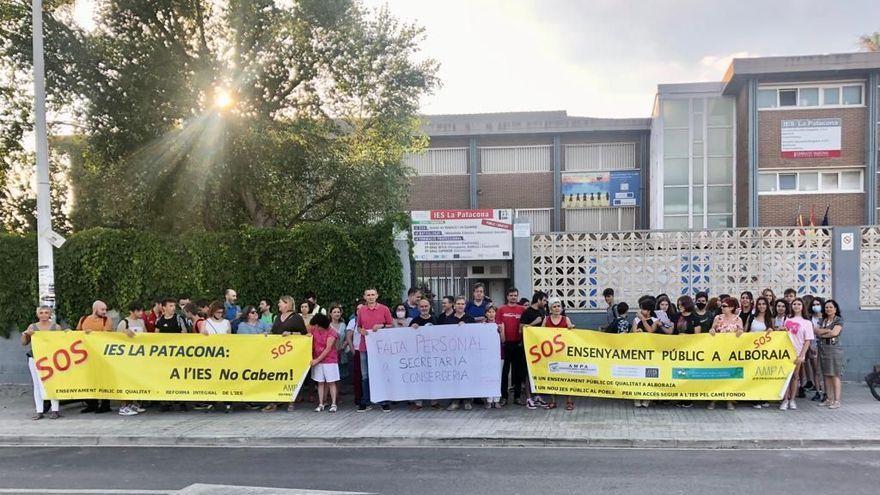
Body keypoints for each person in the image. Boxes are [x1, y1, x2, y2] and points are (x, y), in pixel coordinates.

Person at [264, 295, 307, 413]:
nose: (278, 305)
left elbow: (304, 335)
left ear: (287, 303)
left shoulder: (296, 317)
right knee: (275, 377)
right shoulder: (278, 317)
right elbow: (274, 332)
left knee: (289, 377)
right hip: (277, 353)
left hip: (291, 353)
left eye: (280, 303)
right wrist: (268, 334)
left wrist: (291, 333)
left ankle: (291, 401)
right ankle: (274, 401)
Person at [356, 288, 393, 412]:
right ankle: (366, 401)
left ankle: (384, 401)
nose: (371, 297)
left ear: (377, 296)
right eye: (368, 295)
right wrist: (361, 330)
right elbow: (358, 327)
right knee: (365, 376)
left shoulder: (384, 309)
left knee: (381, 373)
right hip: (365, 347)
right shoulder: (361, 310)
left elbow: (391, 325)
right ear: (365, 297)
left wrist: (381, 326)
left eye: (373, 294)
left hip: (380, 348)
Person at [21, 306, 63, 420]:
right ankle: (39, 410)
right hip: (35, 358)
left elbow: (63, 342)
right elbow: (24, 343)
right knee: (37, 385)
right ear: (37, 314)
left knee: (52, 382)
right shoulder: (33, 327)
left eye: (46, 312)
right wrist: (25, 334)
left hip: (51, 358)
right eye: (41, 313)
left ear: (50, 314)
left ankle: (55, 409)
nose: (44, 315)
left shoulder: (56, 327)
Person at [75, 300, 114, 414]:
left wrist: (91, 333)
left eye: (105, 309)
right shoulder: (83, 319)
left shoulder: (107, 320)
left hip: (102, 355)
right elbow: (77, 333)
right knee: (88, 379)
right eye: (102, 309)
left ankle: (105, 404)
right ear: (95, 309)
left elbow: (105, 336)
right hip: (86, 355)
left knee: (103, 379)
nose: (105, 312)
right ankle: (91, 404)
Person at [707, 297, 744, 411]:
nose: (722, 308)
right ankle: (714, 399)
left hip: (732, 352)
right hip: (718, 352)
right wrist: (712, 330)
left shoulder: (738, 319)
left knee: (730, 376)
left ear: (732, 307)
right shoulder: (718, 318)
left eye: (724, 306)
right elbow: (712, 329)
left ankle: (729, 400)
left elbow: (742, 332)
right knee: (717, 375)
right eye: (722, 306)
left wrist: (740, 332)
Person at [779, 298, 814, 411]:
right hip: (786, 352)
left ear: (802, 306)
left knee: (795, 376)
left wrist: (802, 355)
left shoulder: (807, 322)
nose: (796, 306)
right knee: (785, 377)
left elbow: (808, 340)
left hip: (798, 352)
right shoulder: (787, 320)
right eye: (794, 304)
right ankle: (785, 399)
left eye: (799, 304)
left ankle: (792, 399)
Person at [445, 296, 477, 411]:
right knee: (455, 378)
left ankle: (468, 400)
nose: (460, 306)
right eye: (458, 303)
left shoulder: (470, 319)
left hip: (466, 354)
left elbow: (474, 335)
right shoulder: (448, 319)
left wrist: (466, 327)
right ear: (454, 305)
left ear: (465, 306)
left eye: (462, 304)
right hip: (453, 354)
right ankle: (455, 401)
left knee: (466, 376)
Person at [542, 298, 575, 410]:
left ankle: (569, 401)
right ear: (550, 308)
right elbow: (539, 334)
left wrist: (571, 329)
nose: (557, 308)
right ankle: (553, 401)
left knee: (566, 377)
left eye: (558, 306)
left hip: (564, 353)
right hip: (550, 353)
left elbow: (572, 333)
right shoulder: (546, 319)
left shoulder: (566, 319)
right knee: (552, 377)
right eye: (554, 306)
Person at [116, 302, 146, 416]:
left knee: (135, 380)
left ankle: (132, 403)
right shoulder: (124, 323)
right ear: (131, 311)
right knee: (126, 381)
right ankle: (123, 406)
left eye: (141, 311)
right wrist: (125, 334)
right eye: (138, 311)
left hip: (138, 357)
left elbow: (146, 336)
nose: (141, 313)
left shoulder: (141, 322)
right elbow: (115, 339)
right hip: (126, 357)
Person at [497, 288, 525, 406]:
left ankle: (517, 397)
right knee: (504, 372)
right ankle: (504, 397)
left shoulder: (523, 309)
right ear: (507, 297)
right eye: (511, 295)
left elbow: (526, 325)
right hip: (505, 345)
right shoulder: (501, 309)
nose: (513, 297)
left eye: (515, 295)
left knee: (517, 372)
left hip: (518, 344)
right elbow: (497, 325)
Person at [520, 291, 548, 410]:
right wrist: (533, 323)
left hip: (540, 347)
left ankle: (537, 395)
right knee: (528, 371)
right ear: (538, 300)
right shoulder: (527, 312)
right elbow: (521, 329)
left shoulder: (543, 311)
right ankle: (528, 398)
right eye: (544, 300)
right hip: (528, 346)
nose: (545, 302)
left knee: (538, 371)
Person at [815, 299, 843, 409]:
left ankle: (837, 400)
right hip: (823, 349)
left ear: (835, 309)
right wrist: (827, 332)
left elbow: (835, 333)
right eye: (826, 307)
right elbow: (816, 331)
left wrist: (823, 333)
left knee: (835, 375)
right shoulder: (823, 320)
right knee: (826, 375)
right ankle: (829, 399)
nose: (828, 309)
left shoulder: (838, 320)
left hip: (834, 349)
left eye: (831, 307)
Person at [309, 313, 339, 412]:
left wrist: (316, 360)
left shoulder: (332, 332)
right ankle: (321, 403)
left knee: (331, 382)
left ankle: (334, 404)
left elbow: (328, 349)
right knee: (320, 382)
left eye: (317, 325)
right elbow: (308, 335)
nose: (316, 327)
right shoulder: (314, 329)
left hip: (329, 360)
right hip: (317, 359)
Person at [804, 295, 826, 402]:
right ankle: (818, 392)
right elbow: (809, 333)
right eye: (814, 305)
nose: (816, 306)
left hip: (825, 346)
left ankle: (826, 392)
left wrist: (818, 331)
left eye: (818, 304)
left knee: (826, 371)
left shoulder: (826, 318)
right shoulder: (809, 318)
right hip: (813, 346)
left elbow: (826, 332)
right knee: (816, 371)